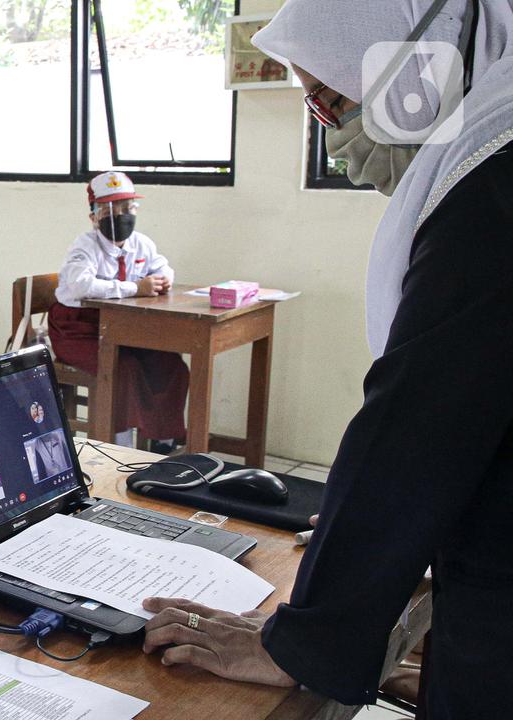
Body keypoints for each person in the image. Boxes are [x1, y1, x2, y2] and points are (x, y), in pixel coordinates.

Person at [140, 2, 513, 717]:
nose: (332, 132)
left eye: (329, 100)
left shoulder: (496, 185)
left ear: (417, 57)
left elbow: (418, 429)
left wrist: (304, 638)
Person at [48, 171, 187, 452]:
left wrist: (164, 278)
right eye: (109, 210)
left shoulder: (142, 243)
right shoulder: (85, 247)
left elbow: (161, 266)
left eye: (126, 208)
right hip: (77, 330)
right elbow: (80, 285)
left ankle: (163, 439)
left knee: (170, 363)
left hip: (121, 328)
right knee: (123, 368)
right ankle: (119, 444)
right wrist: (134, 288)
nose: (120, 215)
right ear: (93, 216)